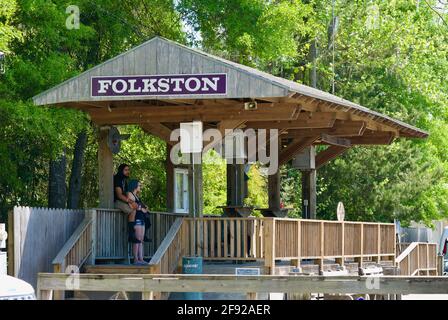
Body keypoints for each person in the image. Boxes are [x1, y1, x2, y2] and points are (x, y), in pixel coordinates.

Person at [113, 164, 139, 243]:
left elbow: (127, 193)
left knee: (136, 209)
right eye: (126, 170)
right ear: (121, 170)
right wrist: (131, 202)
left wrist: (134, 202)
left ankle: (133, 235)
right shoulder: (117, 179)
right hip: (115, 201)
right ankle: (131, 235)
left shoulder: (124, 180)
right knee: (132, 210)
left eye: (128, 170)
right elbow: (119, 195)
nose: (128, 172)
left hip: (123, 201)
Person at [127, 179, 148, 265]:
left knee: (141, 240)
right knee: (137, 240)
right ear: (134, 186)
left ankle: (141, 258)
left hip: (142, 219)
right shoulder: (130, 194)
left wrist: (142, 208)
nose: (140, 187)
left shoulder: (137, 196)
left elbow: (145, 208)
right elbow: (133, 206)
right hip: (136, 219)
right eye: (139, 185)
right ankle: (136, 259)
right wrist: (141, 208)